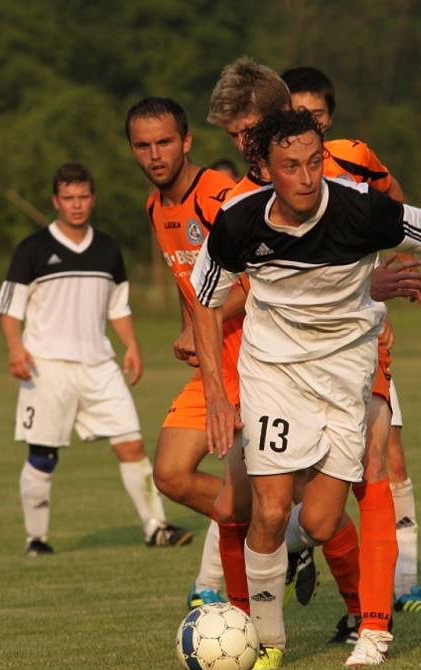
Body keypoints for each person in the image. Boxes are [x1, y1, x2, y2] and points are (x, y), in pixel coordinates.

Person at [190, 109, 421, 668]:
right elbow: (206, 301)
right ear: (265, 167)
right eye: (291, 166)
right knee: (270, 506)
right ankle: (269, 641)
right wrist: (215, 389)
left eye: (313, 162)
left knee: (321, 522)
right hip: (273, 375)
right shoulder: (238, 219)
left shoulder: (356, 201)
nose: (307, 177)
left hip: (343, 374)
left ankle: (303, 570)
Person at [282, 65, 421, 613]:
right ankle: (302, 545)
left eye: (316, 116)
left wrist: (388, 272)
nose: (308, 125)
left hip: (364, 337)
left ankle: (403, 585)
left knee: (386, 457)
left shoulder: (355, 159)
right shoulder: (273, 180)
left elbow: (399, 207)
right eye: (297, 115)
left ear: (330, 118)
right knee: (299, 474)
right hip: (296, 349)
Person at [0, 162, 191, 555]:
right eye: (68, 198)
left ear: (93, 198)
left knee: (132, 445)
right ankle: (37, 539)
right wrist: (15, 348)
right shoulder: (32, 249)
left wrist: (131, 346)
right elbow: (9, 308)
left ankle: (156, 527)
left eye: (83, 196)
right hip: (46, 366)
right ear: (56, 201)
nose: (77, 204)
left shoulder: (108, 249)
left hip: (100, 365)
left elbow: (118, 307)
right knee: (43, 455)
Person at [125, 97, 247, 608]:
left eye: (165, 142)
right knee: (171, 473)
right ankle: (272, 532)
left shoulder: (220, 195)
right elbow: (187, 280)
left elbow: (260, 280)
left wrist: (207, 322)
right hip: (214, 367)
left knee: (307, 503)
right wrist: (188, 328)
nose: (155, 155)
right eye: (143, 145)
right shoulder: (156, 207)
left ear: (188, 141)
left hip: (259, 360)